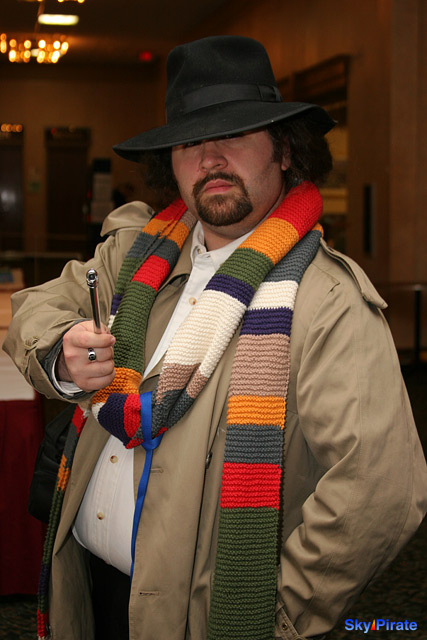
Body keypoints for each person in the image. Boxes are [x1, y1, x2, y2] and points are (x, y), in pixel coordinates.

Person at [4, 35, 426, 640]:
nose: (210, 159)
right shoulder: (138, 253)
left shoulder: (327, 303)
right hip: (89, 590)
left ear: (285, 150)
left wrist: (273, 621)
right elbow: (36, 306)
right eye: (189, 142)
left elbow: (379, 494)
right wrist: (63, 351)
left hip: (200, 618)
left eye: (235, 134)